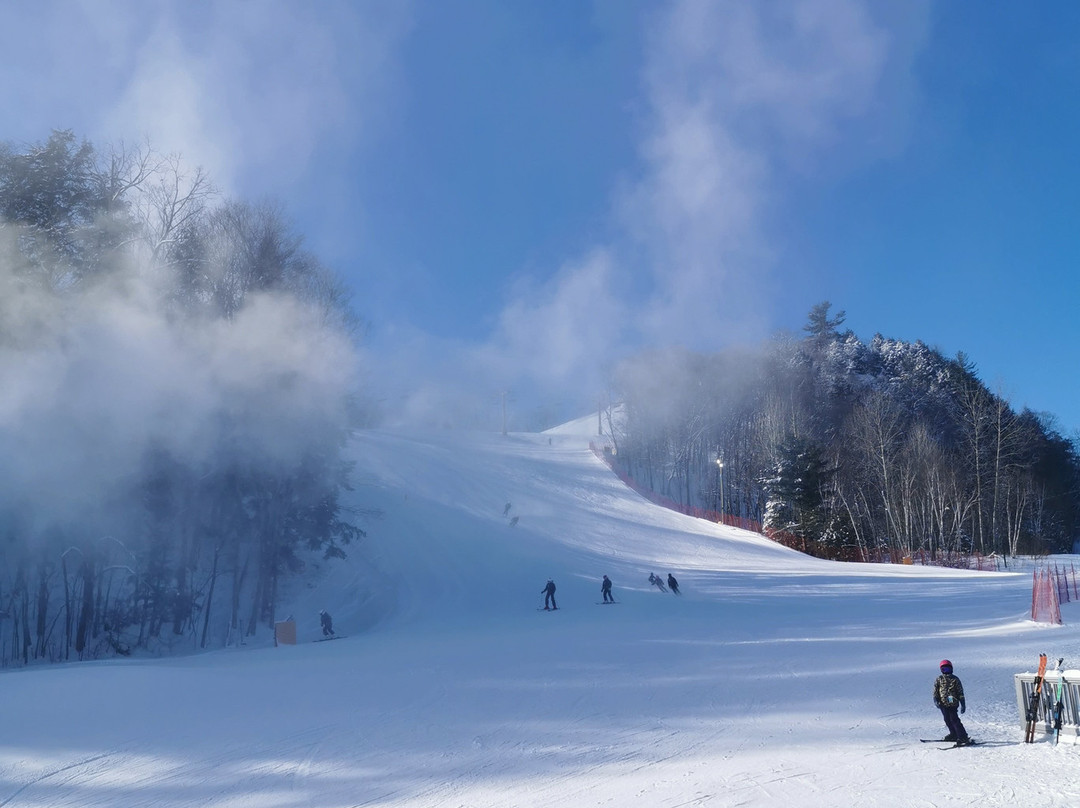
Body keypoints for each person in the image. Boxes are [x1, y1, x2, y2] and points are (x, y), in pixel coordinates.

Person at [933, 659, 971, 745]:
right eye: (944, 669)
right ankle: (954, 734)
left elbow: (960, 692)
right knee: (947, 719)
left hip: (952, 704)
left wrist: (963, 704)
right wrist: (936, 700)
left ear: (952, 669)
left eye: (948, 669)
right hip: (943, 704)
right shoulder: (939, 679)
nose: (946, 671)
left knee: (954, 719)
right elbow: (935, 691)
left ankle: (963, 736)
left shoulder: (955, 679)